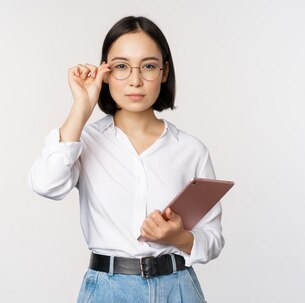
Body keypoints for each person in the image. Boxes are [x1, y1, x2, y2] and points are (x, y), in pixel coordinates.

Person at [27, 16, 224, 303]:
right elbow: (45, 184)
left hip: (179, 289)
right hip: (108, 290)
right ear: (105, 72)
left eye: (148, 66)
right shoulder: (85, 140)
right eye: (121, 66)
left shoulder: (191, 150)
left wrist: (178, 238)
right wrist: (82, 106)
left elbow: (213, 238)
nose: (135, 80)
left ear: (164, 71)